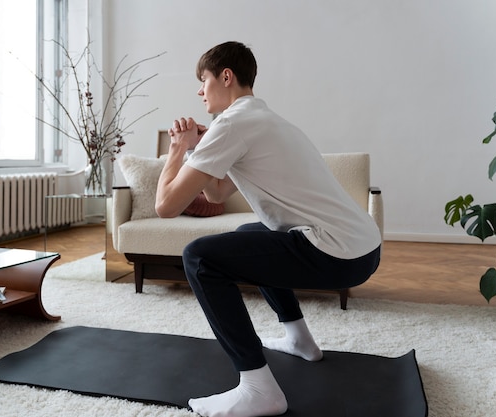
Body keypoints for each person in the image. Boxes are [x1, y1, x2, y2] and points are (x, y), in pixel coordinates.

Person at [155, 41, 382, 417]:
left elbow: (166, 207)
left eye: (203, 80)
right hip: (362, 247)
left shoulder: (231, 123)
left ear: (226, 77)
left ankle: (258, 388)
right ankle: (300, 340)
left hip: (338, 254)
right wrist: (197, 147)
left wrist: (177, 150)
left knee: (198, 258)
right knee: (250, 234)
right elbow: (216, 192)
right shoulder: (260, 118)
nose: (199, 91)